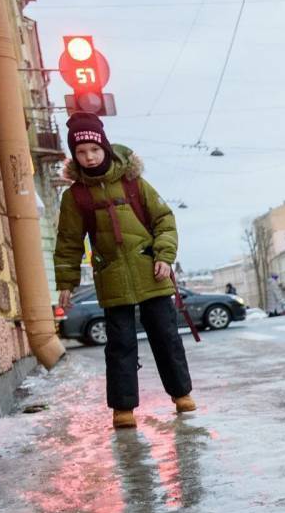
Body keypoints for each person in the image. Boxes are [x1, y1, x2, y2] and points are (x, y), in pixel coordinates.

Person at [54, 113, 195, 430]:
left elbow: (164, 220)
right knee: (119, 344)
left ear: (104, 147)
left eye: (94, 149)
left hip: (151, 271)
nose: (89, 157)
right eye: (81, 152)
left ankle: (181, 394)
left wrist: (164, 255)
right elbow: (68, 242)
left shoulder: (134, 183)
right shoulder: (75, 196)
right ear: (75, 156)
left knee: (166, 337)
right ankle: (123, 408)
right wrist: (66, 280)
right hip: (111, 276)